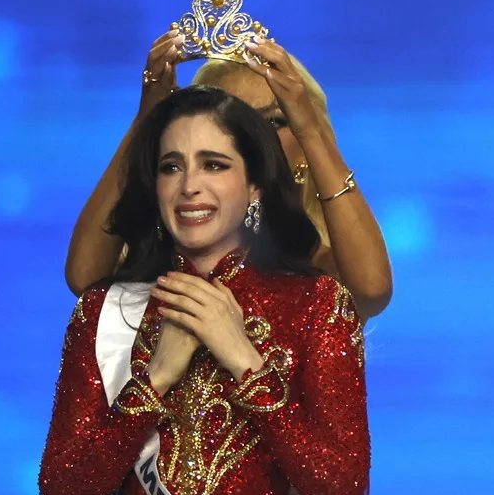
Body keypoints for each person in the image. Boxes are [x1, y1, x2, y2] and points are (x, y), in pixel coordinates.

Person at [40, 85, 370, 495]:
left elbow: (338, 493)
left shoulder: (316, 305)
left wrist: (245, 362)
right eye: (171, 167)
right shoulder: (106, 310)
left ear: (255, 185)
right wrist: (153, 380)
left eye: (214, 165)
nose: (189, 186)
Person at [64, 31, 393, 322]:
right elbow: (85, 279)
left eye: (275, 122)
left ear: (306, 151)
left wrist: (310, 129)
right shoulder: (160, 266)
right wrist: (148, 117)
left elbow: (371, 291)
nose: (255, 143)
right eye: (230, 127)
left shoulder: (325, 274)